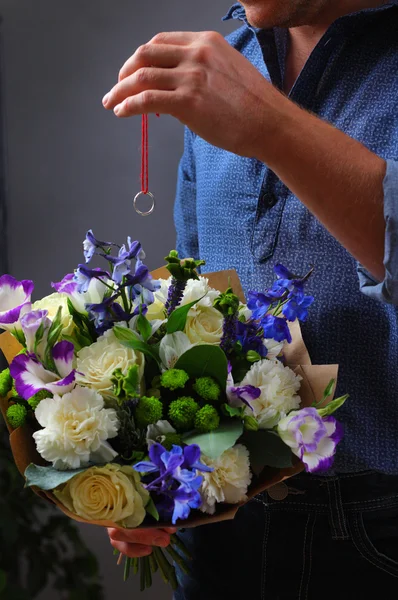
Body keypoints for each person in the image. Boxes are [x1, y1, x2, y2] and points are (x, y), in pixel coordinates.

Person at [104, 1, 398, 597]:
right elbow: (189, 309)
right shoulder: (226, 64)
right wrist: (142, 471)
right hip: (219, 520)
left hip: (381, 534)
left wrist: (270, 125)